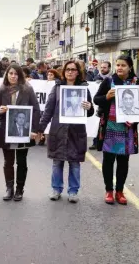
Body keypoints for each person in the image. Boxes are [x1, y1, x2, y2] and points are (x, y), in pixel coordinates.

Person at [94, 55, 139, 205]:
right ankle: (109, 190)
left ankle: (119, 191)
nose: (119, 68)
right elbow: (96, 99)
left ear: (130, 67)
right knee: (108, 160)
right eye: (117, 65)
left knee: (123, 161)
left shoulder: (137, 83)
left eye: (123, 65)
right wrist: (106, 96)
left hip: (127, 129)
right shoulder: (108, 81)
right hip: (110, 127)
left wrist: (135, 119)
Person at [38, 61, 94, 203]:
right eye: (67, 69)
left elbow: (89, 112)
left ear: (77, 72)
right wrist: (39, 129)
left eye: (73, 70)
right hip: (58, 131)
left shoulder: (83, 89)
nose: (70, 72)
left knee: (74, 163)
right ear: (63, 72)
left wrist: (89, 107)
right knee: (57, 162)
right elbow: (48, 111)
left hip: (76, 132)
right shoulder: (57, 88)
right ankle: (56, 189)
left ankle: (73, 191)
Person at [0, 64, 40, 201]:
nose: (13, 76)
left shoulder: (27, 90)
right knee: (8, 161)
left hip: (23, 132)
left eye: (16, 74)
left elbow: (36, 110)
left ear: (20, 76)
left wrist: (33, 130)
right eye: (11, 73)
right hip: (6, 131)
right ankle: (9, 189)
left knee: (21, 161)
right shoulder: (1, 90)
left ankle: (19, 189)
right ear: (7, 74)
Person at [89, 61, 112, 150]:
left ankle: (104, 142)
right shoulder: (95, 78)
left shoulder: (112, 79)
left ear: (109, 68)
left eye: (104, 67)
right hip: (97, 105)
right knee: (96, 124)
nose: (102, 69)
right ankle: (96, 142)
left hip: (106, 107)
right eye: (101, 67)